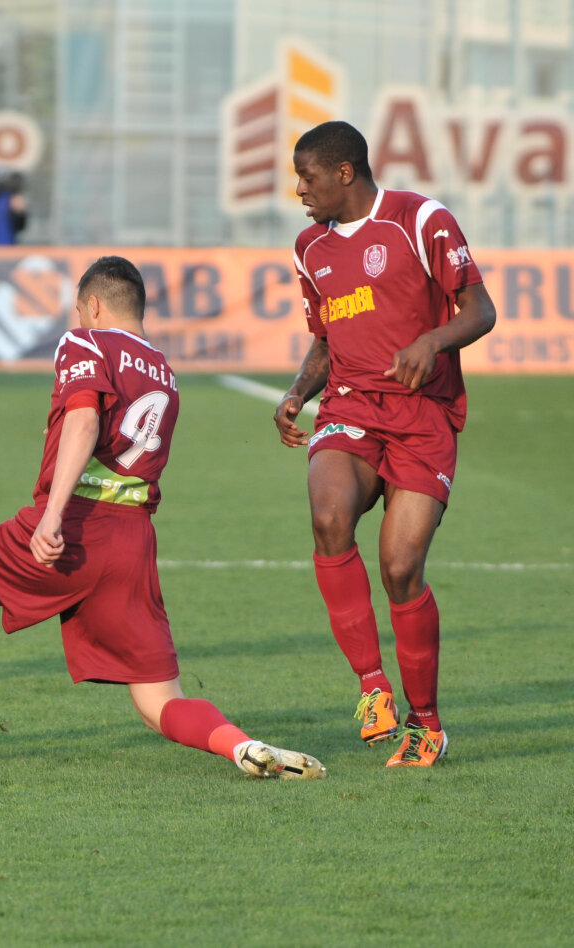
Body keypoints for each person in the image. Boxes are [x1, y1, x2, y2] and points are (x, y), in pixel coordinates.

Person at [0, 256, 326, 780]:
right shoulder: (165, 371)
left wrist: (52, 517)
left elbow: (84, 421)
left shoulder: (85, 341)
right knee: (158, 702)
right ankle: (241, 746)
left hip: (74, 525)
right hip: (133, 539)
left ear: (93, 305)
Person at [275, 120, 496, 768]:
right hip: (350, 406)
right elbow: (324, 341)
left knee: (400, 569)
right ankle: (373, 687)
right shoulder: (308, 248)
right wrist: (297, 394)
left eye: (307, 177)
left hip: (423, 412)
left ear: (344, 172)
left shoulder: (420, 220)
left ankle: (426, 723)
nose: (299, 190)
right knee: (328, 515)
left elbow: (480, 310)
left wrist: (431, 342)